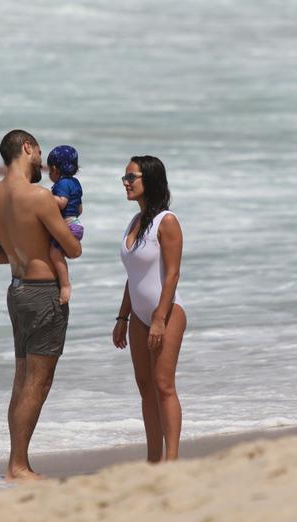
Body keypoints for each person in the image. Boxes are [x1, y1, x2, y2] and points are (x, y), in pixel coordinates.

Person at [0, 129, 82, 481]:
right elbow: (72, 248)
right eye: (38, 151)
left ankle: (16, 461)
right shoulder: (38, 197)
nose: (41, 158)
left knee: (22, 378)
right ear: (26, 148)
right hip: (43, 294)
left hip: (17, 290)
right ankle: (18, 466)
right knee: (38, 381)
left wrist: (21, 251)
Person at [113, 155, 186, 462]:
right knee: (145, 388)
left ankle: (172, 460)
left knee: (163, 385)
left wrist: (159, 318)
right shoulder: (134, 222)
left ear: (150, 180)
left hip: (167, 314)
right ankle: (153, 459)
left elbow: (172, 274)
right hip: (138, 317)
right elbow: (134, 278)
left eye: (132, 177)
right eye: (125, 177)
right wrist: (122, 316)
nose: (126, 182)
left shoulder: (166, 221)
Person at [47, 145, 84, 304]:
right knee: (60, 253)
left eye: (49, 171)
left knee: (55, 253)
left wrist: (43, 197)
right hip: (76, 224)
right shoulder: (75, 183)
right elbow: (80, 209)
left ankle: (65, 285)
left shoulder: (61, 184)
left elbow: (61, 203)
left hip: (68, 226)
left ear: (55, 169)